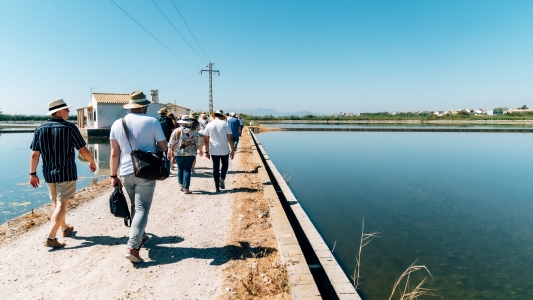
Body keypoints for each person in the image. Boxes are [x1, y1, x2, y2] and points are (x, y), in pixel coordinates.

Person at [29, 99, 97, 248]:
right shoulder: (69, 128)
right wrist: (92, 161)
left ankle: (64, 228)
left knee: (57, 203)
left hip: (49, 173)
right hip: (66, 172)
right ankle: (51, 237)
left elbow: (35, 154)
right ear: (59, 112)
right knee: (61, 203)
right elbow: (82, 149)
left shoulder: (40, 129)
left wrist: (32, 173)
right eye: (67, 110)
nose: (69, 112)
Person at [109, 91, 167, 263]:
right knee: (142, 208)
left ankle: (140, 236)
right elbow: (163, 147)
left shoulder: (117, 124)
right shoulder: (152, 121)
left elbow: (114, 153)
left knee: (136, 205)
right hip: (145, 170)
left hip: (125, 171)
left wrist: (113, 175)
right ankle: (133, 247)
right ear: (143, 106)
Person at [168, 115, 202, 194]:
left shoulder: (176, 131)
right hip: (190, 153)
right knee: (187, 170)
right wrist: (200, 151)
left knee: (180, 168)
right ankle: (186, 189)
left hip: (178, 152)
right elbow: (199, 143)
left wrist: (170, 152)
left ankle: (180, 185)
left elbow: (171, 142)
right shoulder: (194, 132)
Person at [204, 110, 235, 193]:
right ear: (222, 116)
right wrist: (232, 150)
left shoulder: (209, 125)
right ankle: (222, 178)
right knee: (225, 164)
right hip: (224, 149)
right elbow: (230, 138)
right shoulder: (226, 124)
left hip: (214, 150)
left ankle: (217, 187)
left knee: (215, 168)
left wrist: (206, 151)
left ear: (214, 116)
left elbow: (206, 140)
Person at [157, 107, 174, 174]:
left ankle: (159, 170)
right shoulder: (168, 120)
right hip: (167, 139)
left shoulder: (157, 119)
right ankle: (167, 171)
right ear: (166, 113)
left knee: (159, 155)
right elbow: (172, 130)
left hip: (158, 139)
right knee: (167, 155)